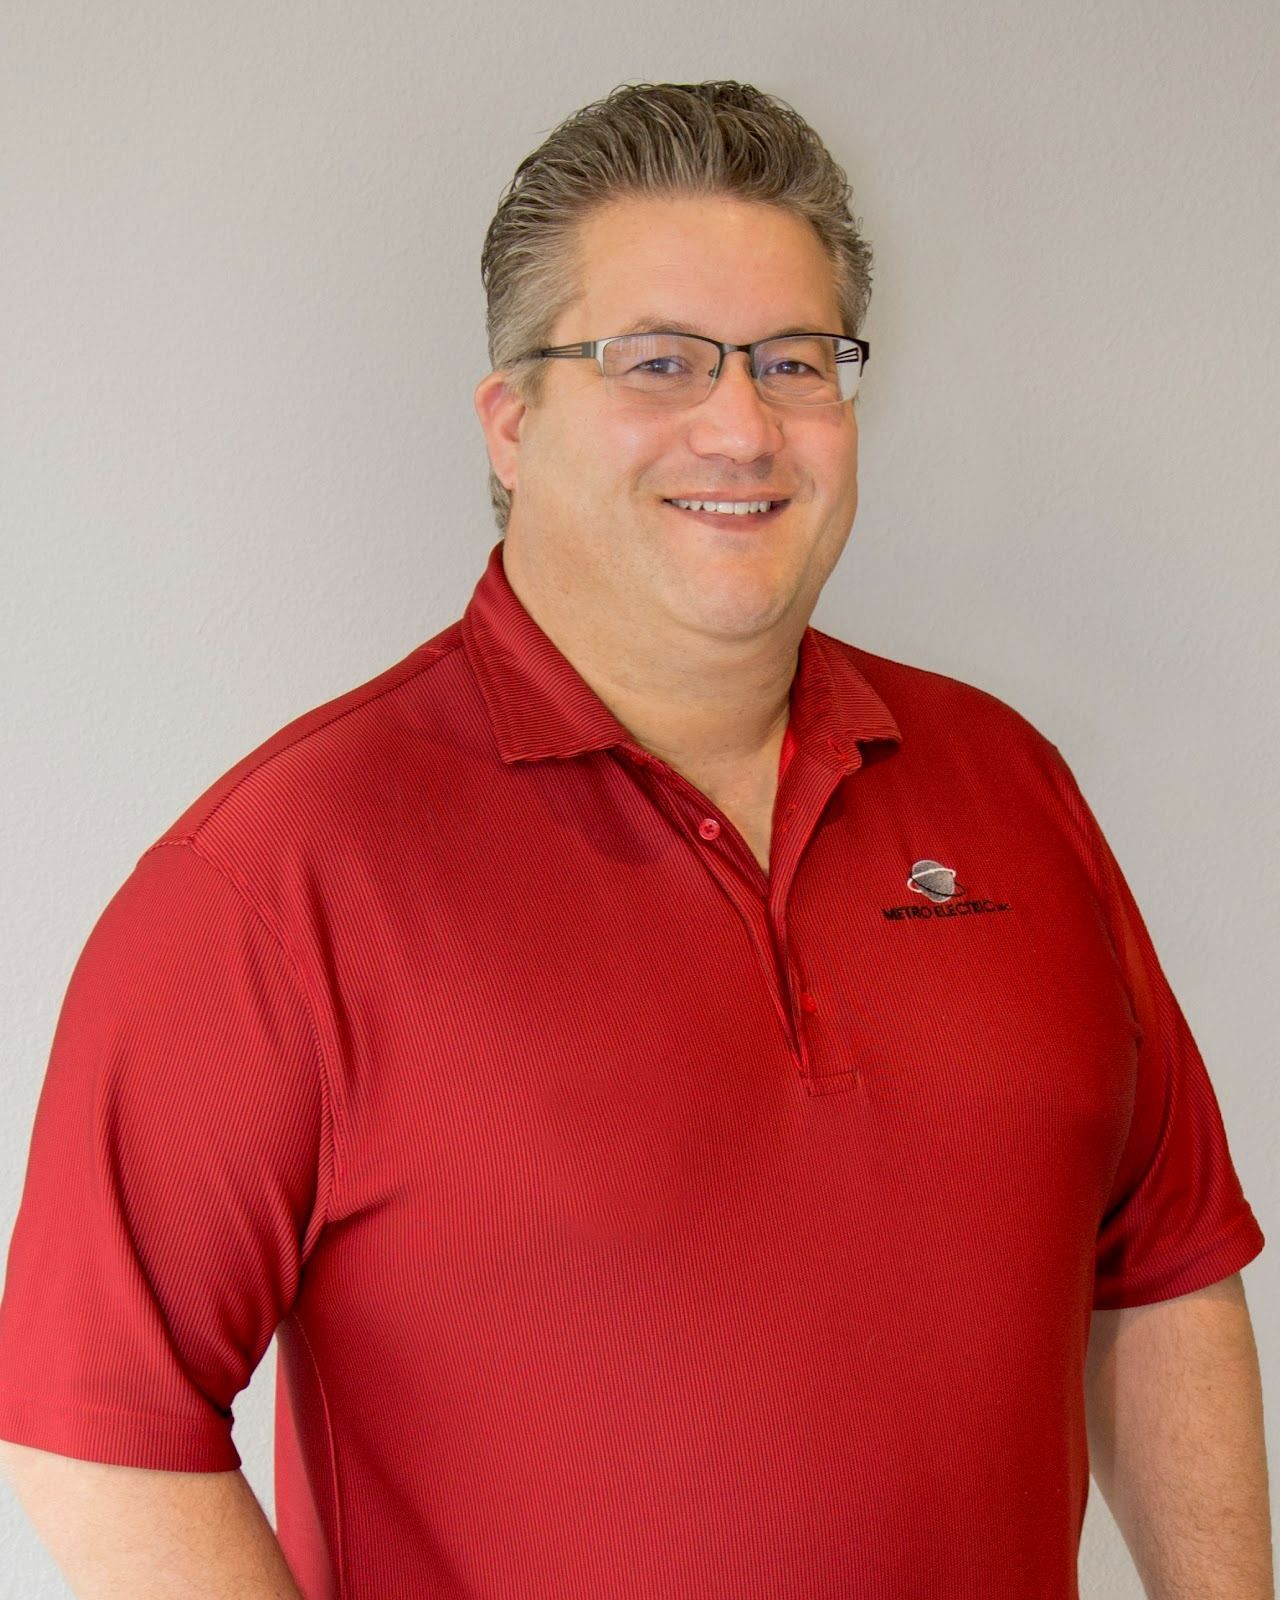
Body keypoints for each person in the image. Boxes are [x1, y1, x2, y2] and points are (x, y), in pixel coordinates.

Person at [0, 79, 1270, 1600]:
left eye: (796, 361)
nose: (739, 425)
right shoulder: (279, 873)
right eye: (656, 361)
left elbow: (1164, 1267)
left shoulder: (1008, 781)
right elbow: (98, 1427)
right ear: (514, 422)